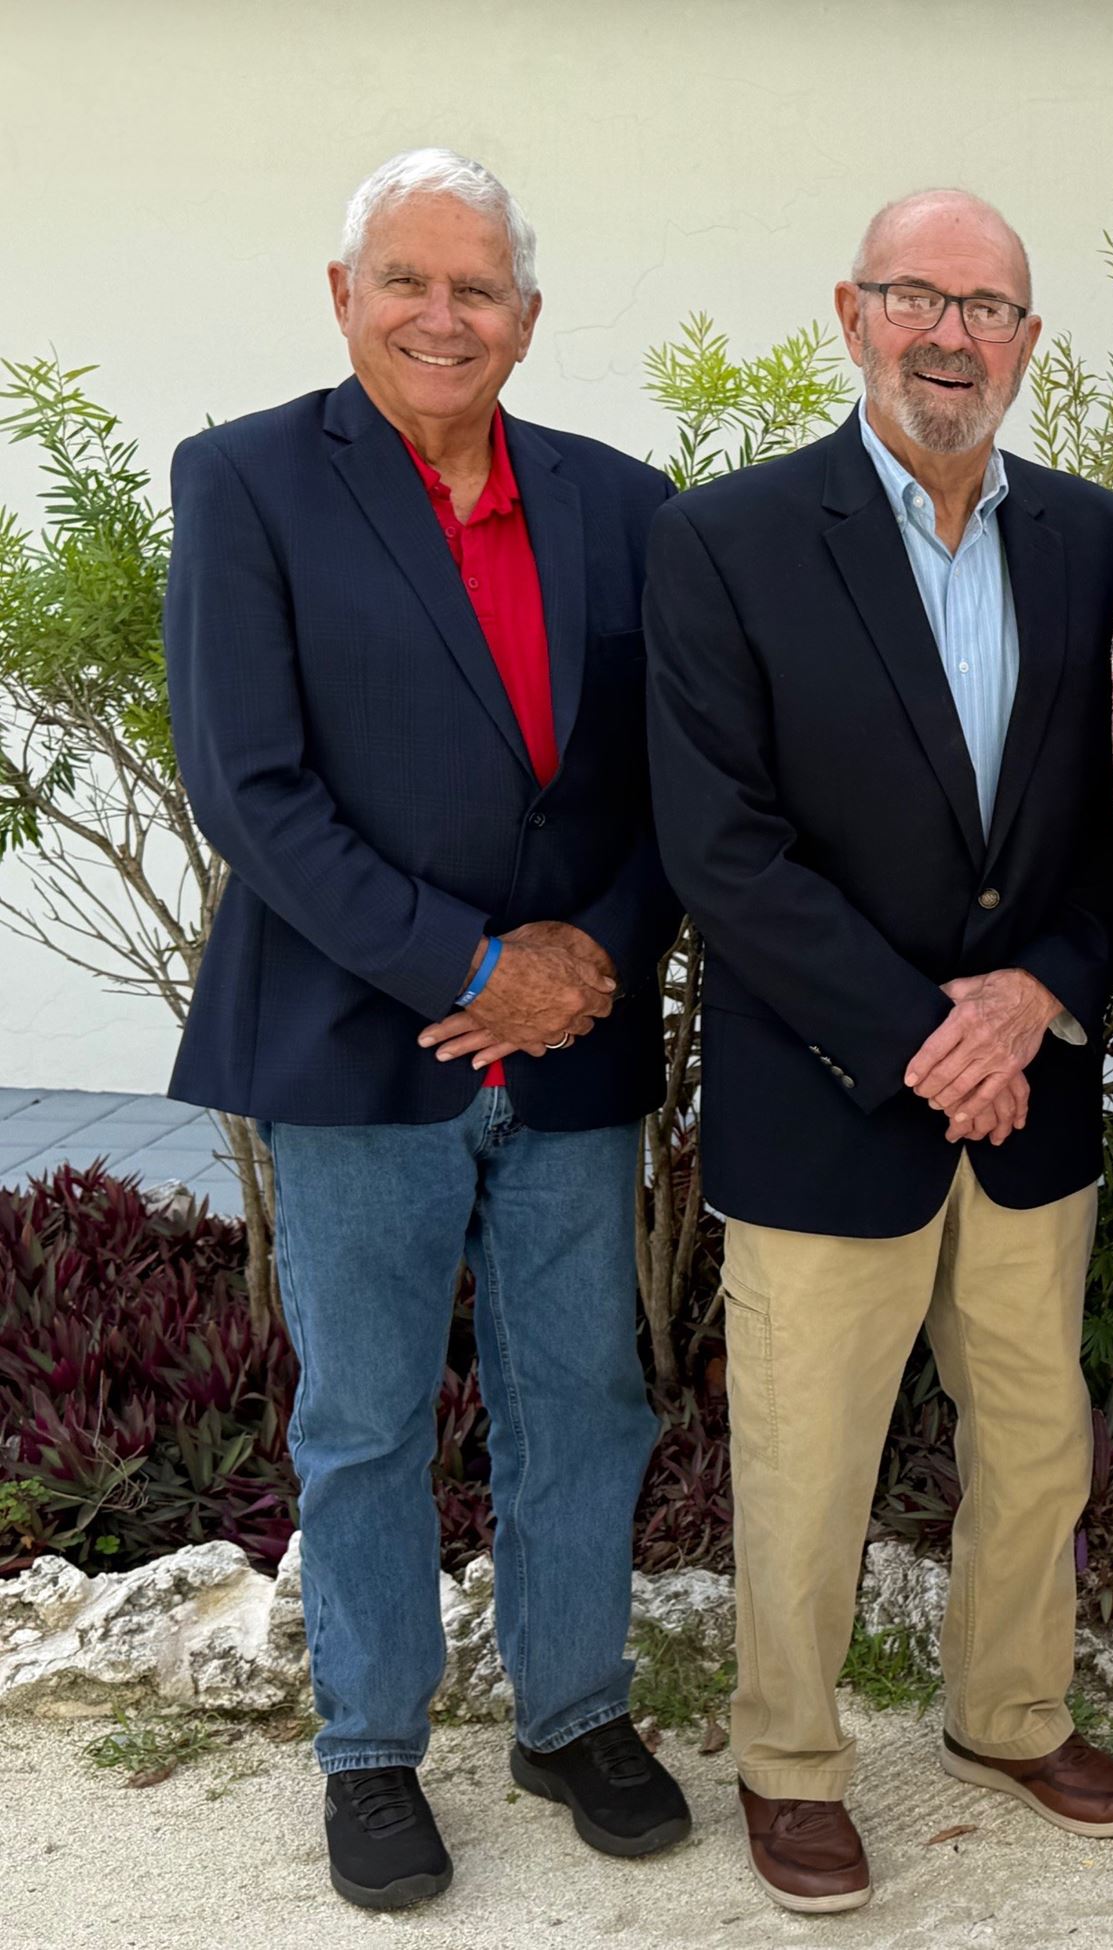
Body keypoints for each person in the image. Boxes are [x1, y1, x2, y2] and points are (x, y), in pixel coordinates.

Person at [163, 149, 687, 1910]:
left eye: (477, 289)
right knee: (370, 1411)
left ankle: (572, 1709)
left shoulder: (627, 502)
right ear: (343, 297)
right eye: (407, 280)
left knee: (583, 1397)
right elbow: (254, 785)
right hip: (359, 1034)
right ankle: (371, 1748)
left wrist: (586, 961)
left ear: (527, 320)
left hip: (577, 1041)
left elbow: (665, 784)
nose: (441, 315)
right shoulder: (247, 483)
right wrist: (470, 965)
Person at [644, 188, 1113, 1917]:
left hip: (1031, 1086)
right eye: (916, 299)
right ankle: (790, 1757)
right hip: (831, 1088)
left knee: (1038, 1436)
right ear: (851, 315)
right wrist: (922, 1031)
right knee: (809, 1455)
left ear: (1028, 341)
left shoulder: (1101, 537)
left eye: (990, 308)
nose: (953, 336)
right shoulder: (727, 541)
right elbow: (724, 847)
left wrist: (1035, 997)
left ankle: (1010, 1710)